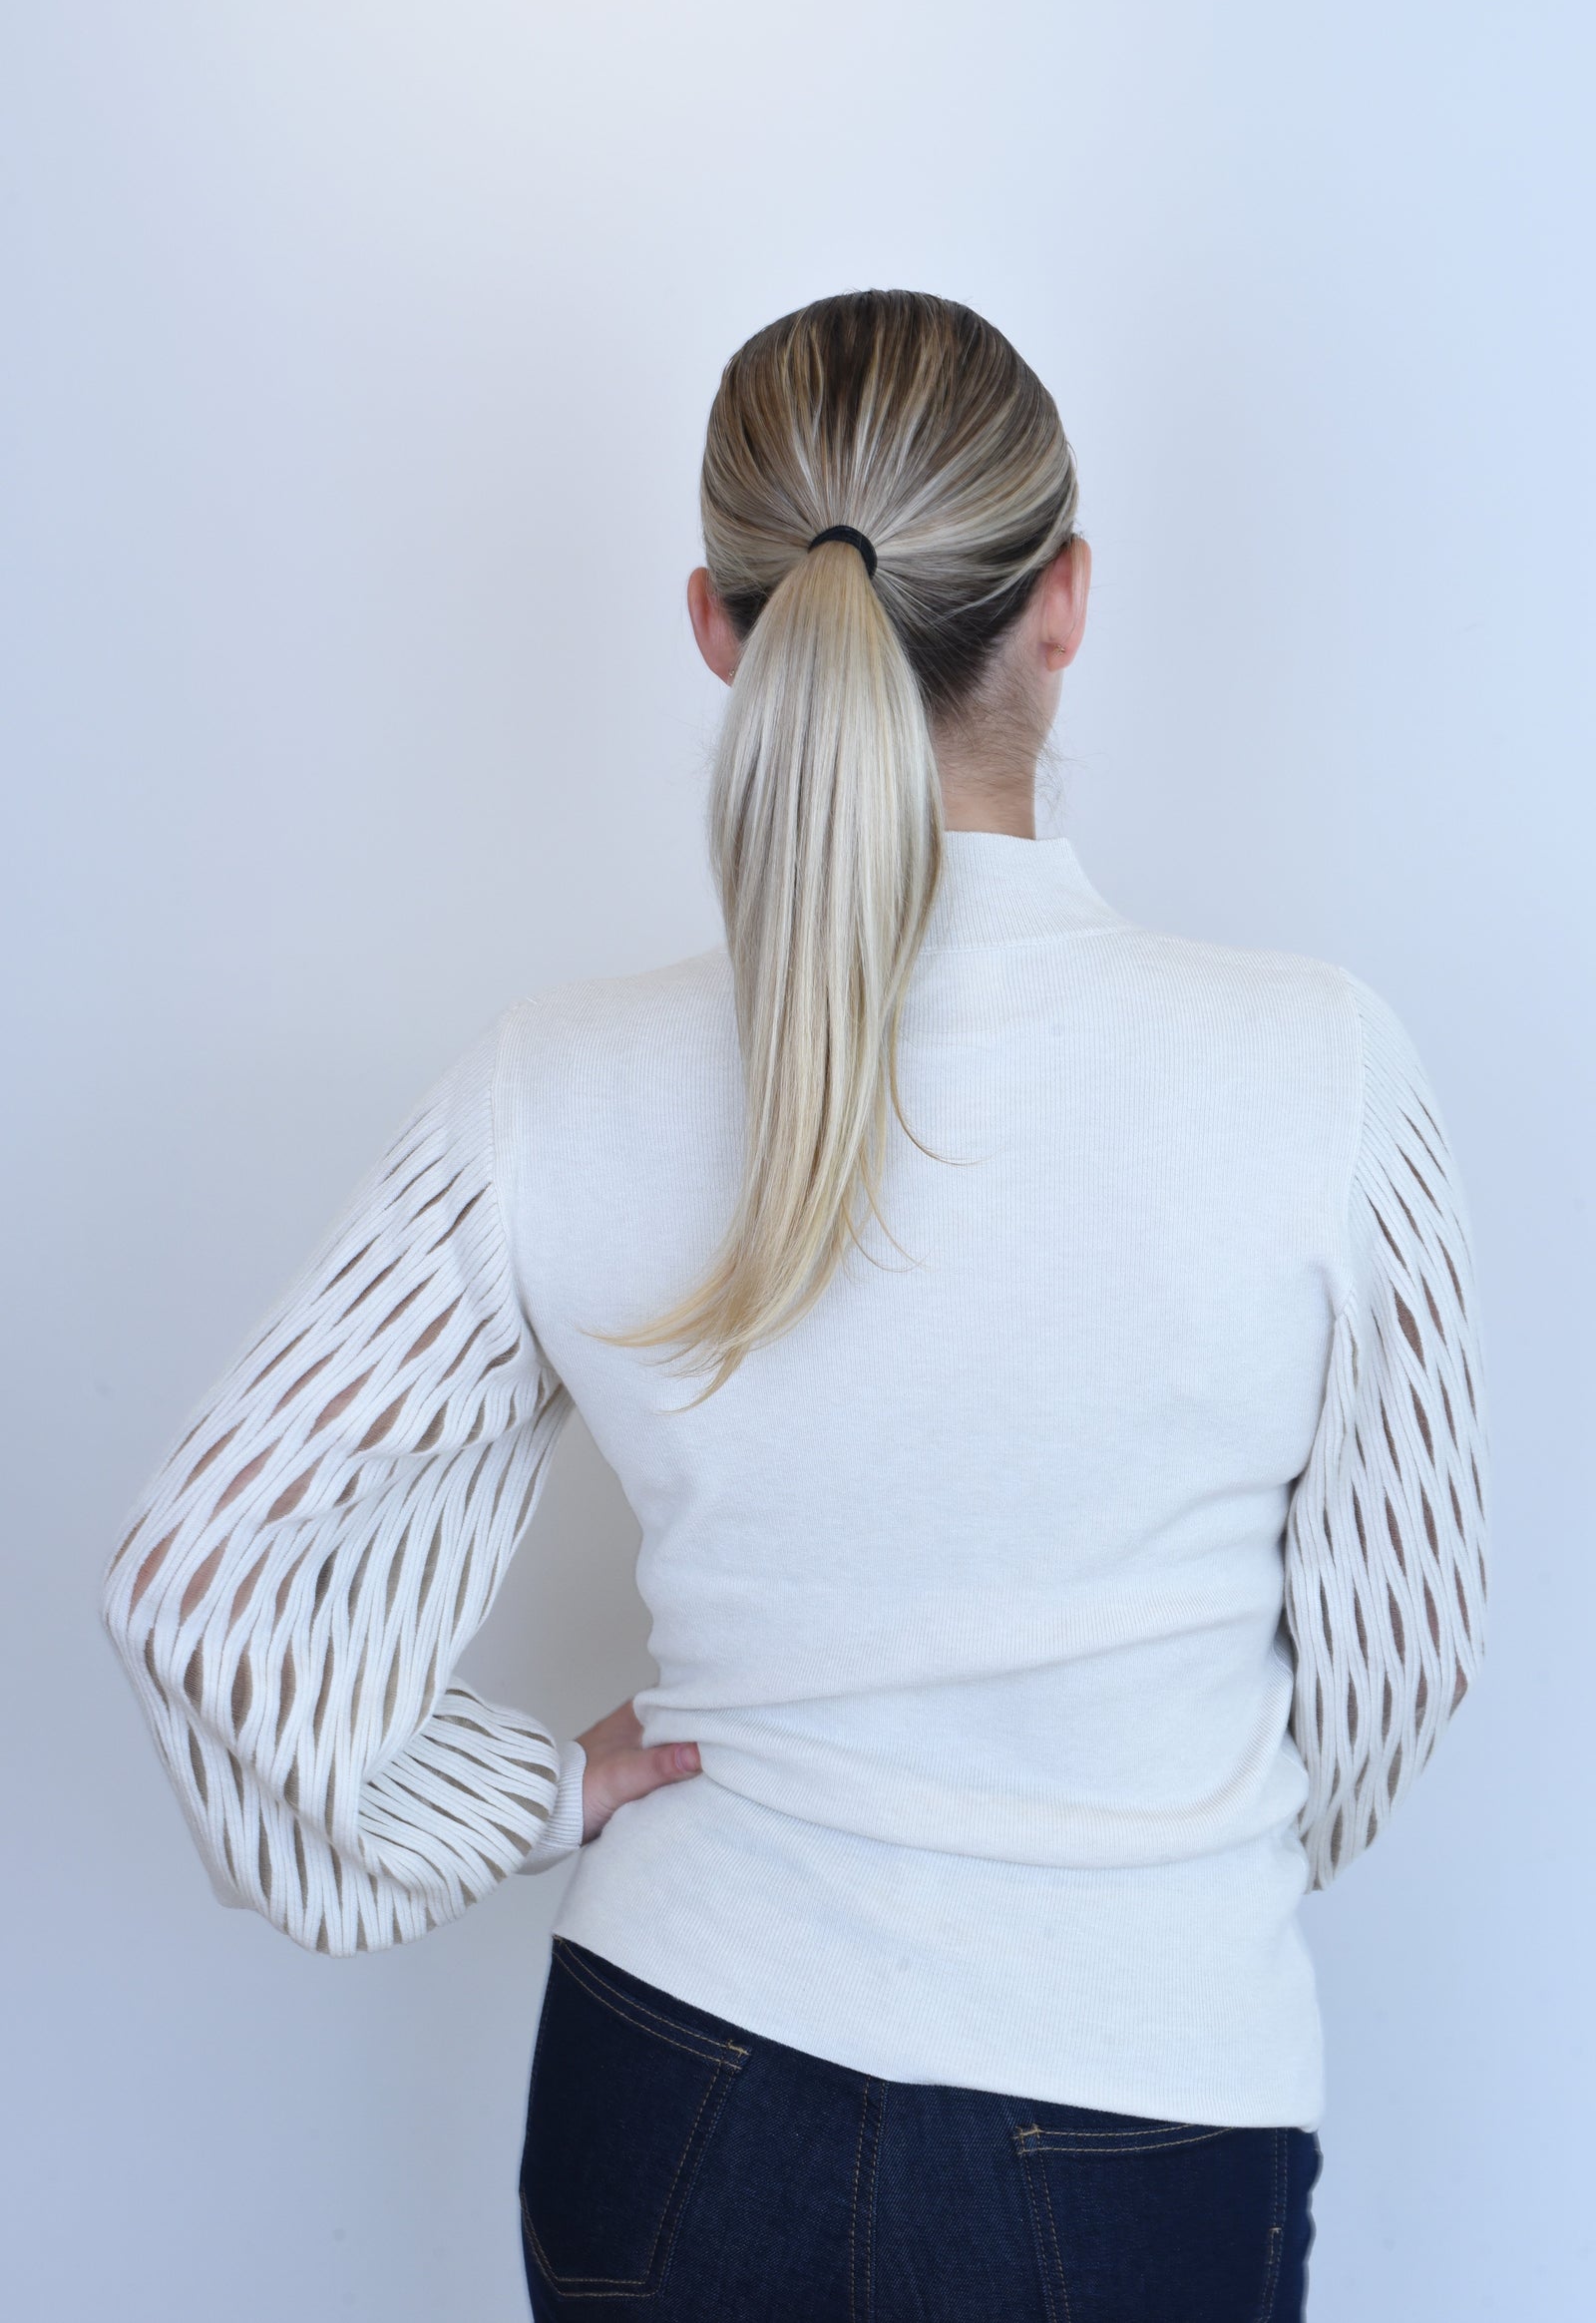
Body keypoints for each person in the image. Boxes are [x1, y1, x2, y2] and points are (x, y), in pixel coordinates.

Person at [101, 290, 1488, 2322]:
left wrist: (524, 1795)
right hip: (1142, 2109)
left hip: (674, 2095)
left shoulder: (554, 1086)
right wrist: (1160, 1861)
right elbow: (1399, 1660)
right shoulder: (1320, 1072)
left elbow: (202, 1587)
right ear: (1064, 600)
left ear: (716, 625)